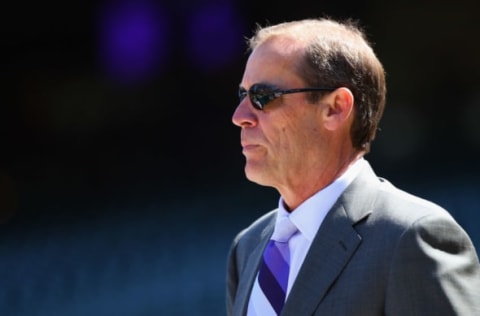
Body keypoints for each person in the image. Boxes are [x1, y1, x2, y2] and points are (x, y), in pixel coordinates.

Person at [226, 18, 480, 316]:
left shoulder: (411, 236)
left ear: (335, 108)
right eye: (243, 95)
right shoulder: (247, 248)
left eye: (262, 97)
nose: (240, 115)